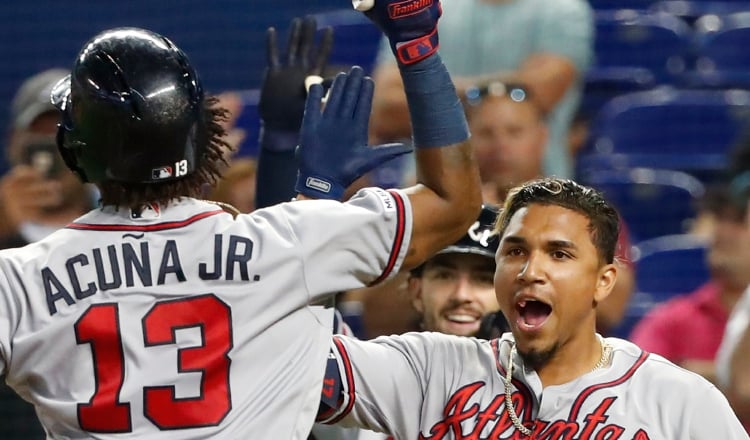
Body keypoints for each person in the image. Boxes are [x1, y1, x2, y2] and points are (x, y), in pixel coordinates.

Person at [0, 4, 481, 438]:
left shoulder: (18, 280)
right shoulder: (287, 244)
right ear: (202, 132)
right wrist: (417, 49)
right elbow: (453, 202)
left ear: (73, 150)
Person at [316, 177, 747, 438]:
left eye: (559, 254)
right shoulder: (433, 368)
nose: (530, 271)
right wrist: (313, 205)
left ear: (603, 281)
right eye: (515, 252)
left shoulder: (678, 401)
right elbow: (292, 359)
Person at [465, 81, 635, 334]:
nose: (500, 145)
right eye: (486, 133)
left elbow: (613, 305)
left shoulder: (586, 213)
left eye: (514, 132)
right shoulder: (451, 216)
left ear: (542, 137)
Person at [369, 0, 593, 179]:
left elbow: (541, 91)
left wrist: (431, 92)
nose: (497, 141)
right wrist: (498, 90)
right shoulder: (419, 10)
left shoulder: (562, 9)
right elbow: (386, 110)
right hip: (433, 189)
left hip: (537, 189)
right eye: (486, 130)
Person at [629, 184, 750, 385]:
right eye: (721, 218)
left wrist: (698, 373)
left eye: (740, 221)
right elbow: (635, 384)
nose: (723, 231)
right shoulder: (674, 320)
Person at [0, 68, 95, 250]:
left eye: (63, 134)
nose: (52, 152)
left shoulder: (125, 223)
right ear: (12, 143)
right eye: (38, 135)